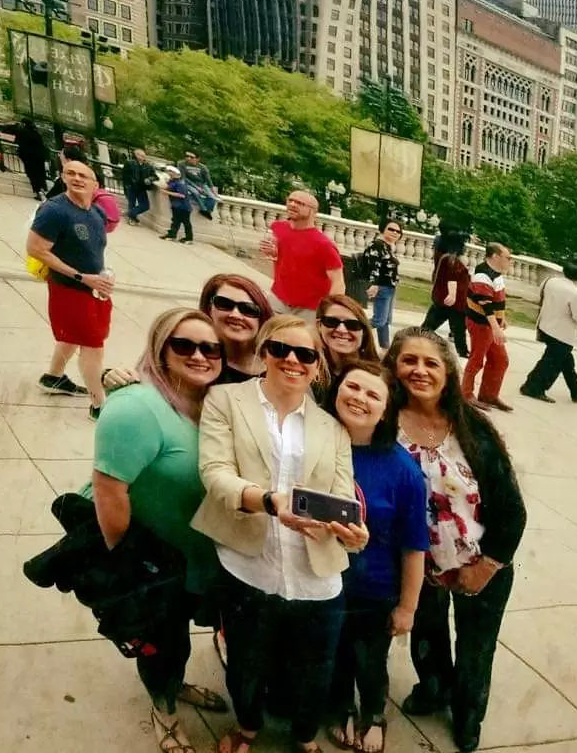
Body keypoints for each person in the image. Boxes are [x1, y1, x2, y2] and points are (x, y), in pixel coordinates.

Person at [191, 315, 368, 753]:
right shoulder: (224, 400)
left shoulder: (333, 427)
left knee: (317, 666)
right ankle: (247, 727)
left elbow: (342, 495)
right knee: (246, 662)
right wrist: (268, 501)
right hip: (249, 563)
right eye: (281, 349)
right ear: (263, 351)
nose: (292, 360)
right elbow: (214, 473)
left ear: (317, 364)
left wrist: (352, 533)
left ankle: (305, 736)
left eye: (305, 354)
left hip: (317, 576)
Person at [82, 307, 228, 753]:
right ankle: (164, 713)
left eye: (211, 348)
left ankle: (175, 684)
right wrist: (127, 567)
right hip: (149, 559)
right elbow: (109, 490)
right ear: (160, 350)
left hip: (191, 554)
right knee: (160, 642)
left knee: (177, 636)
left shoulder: (215, 405)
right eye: (183, 345)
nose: (200, 356)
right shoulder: (136, 406)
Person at [385, 327, 526, 753]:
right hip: (416, 566)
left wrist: (487, 566)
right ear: (392, 367)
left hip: (482, 564)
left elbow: (511, 508)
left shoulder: (472, 426)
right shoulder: (381, 422)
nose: (419, 370)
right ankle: (433, 688)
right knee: (427, 636)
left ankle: (468, 713)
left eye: (431, 363)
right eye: (409, 360)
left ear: (448, 372)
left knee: (476, 646)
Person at [325, 362, 429, 753]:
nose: (360, 399)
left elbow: (414, 545)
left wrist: (407, 607)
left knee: (370, 660)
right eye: (353, 387)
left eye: (373, 395)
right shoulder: (311, 443)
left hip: (374, 588)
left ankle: (372, 713)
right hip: (321, 582)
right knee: (334, 653)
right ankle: (339, 708)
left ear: (387, 410)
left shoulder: (402, 470)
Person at [27, 160, 115, 421]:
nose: (77, 179)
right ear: (63, 177)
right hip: (70, 289)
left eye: (84, 175)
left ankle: (53, 377)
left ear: (95, 184)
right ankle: (99, 405)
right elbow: (36, 249)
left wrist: (102, 274)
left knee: (74, 336)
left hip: (94, 286)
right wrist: (81, 276)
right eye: (71, 173)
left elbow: (92, 249)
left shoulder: (97, 213)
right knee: (93, 346)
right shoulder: (54, 211)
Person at [103, 273, 273, 394]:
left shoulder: (280, 361)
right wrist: (112, 377)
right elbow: (148, 381)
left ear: (262, 315)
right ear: (209, 308)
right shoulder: (186, 348)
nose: (235, 315)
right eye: (224, 304)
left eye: (248, 309)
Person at [260, 190, 345, 321]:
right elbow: (281, 252)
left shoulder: (324, 244)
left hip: (309, 309)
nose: (292, 204)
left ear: (313, 211)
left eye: (300, 203)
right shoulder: (278, 228)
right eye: (290, 200)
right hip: (278, 299)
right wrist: (273, 252)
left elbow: (338, 282)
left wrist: (330, 312)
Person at [520, 261, 577, 404]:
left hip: (546, 324)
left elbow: (546, 293)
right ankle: (532, 387)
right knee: (550, 364)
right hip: (562, 333)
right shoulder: (576, 294)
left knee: (566, 361)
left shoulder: (550, 281)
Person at [462, 242, 513, 412]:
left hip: (490, 324)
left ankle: (489, 395)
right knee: (477, 359)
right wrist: (496, 327)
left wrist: (502, 319)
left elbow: (500, 300)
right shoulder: (482, 275)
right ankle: (466, 394)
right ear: (495, 256)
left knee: (500, 360)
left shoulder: (497, 274)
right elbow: (486, 304)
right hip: (480, 323)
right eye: (508, 257)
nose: (510, 261)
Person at [422, 229, 470, 358]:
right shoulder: (452, 260)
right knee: (459, 328)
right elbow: (452, 277)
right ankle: (463, 351)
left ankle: (419, 340)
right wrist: (452, 294)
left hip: (441, 298)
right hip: (454, 301)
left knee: (429, 326)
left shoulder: (442, 257)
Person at [316, 294, 379, 382]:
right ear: (319, 325)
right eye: (332, 322)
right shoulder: (310, 371)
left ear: (364, 331)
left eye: (352, 325)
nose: (341, 330)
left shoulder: (378, 376)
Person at [364, 220, 402, 353]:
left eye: (398, 231)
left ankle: (385, 349)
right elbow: (374, 266)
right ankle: (355, 327)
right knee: (379, 321)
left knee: (386, 321)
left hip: (390, 288)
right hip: (382, 287)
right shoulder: (378, 245)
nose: (395, 233)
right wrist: (374, 284)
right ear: (382, 229)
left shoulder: (387, 246)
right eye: (391, 229)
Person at [2, 118, 49, 199]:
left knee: (32, 174)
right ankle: (42, 189)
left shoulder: (23, 132)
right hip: (39, 157)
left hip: (29, 157)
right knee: (40, 173)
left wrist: (13, 124)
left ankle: (38, 191)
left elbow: (7, 130)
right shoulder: (36, 133)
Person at [121, 148, 158, 225]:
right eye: (141, 155)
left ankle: (130, 213)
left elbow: (155, 176)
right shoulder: (129, 163)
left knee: (145, 205)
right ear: (136, 155)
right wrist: (127, 186)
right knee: (132, 203)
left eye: (144, 156)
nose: (143, 157)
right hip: (131, 187)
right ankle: (132, 219)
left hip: (142, 188)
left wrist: (149, 179)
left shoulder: (148, 165)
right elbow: (125, 176)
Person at [178, 151, 219, 219]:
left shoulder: (203, 167)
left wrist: (212, 189)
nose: (188, 158)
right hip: (188, 183)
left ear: (197, 159)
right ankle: (204, 209)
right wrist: (196, 187)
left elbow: (208, 179)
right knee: (195, 192)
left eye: (191, 157)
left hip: (201, 184)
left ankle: (207, 211)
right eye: (187, 156)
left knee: (212, 197)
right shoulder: (181, 164)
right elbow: (184, 178)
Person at [160, 165, 194, 244]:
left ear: (173, 173)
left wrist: (166, 192)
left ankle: (189, 238)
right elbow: (166, 186)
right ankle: (172, 235)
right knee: (175, 221)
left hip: (183, 207)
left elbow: (182, 195)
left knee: (186, 222)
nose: (168, 173)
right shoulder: (173, 181)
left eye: (169, 172)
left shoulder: (180, 183)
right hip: (176, 205)